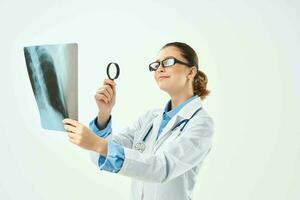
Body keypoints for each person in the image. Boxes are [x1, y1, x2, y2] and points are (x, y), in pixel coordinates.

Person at [62, 42, 214, 200]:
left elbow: (162, 168)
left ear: (191, 72)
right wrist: (104, 114)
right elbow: (101, 155)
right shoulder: (150, 118)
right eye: (156, 65)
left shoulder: (201, 124)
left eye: (168, 62)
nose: (159, 69)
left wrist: (98, 144)